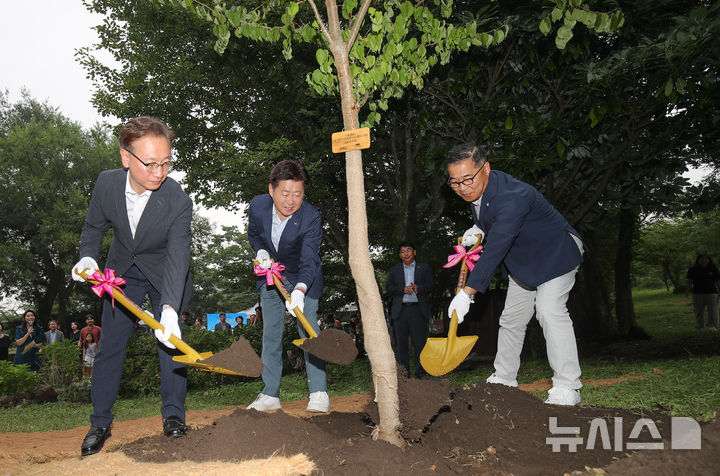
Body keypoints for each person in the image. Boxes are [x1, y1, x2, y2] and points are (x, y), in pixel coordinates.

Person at [71, 116, 193, 456]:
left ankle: (174, 417)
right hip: (121, 271)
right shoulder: (106, 184)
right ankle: (99, 422)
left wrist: (169, 309)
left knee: (171, 343)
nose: (159, 172)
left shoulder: (178, 200)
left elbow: (179, 255)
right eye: (150, 163)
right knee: (110, 346)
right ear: (126, 157)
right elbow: (93, 228)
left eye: (166, 163)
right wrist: (89, 258)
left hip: (164, 272)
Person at [445, 142, 585, 406]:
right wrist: (478, 228)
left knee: (549, 310)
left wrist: (468, 293)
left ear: (486, 168)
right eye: (455, 183)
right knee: (511, 319)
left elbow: (498, 246)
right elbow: (491, 218)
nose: (463, 188)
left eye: (467, 179)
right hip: (524, 262)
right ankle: (504, 378)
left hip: (555, 253)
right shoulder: (480, 189)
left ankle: (568, 386)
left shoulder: (514, 196)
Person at [247, 160, 328, 413]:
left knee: (308, 329)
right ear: (271, 190)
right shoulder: (258, 206)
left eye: (298, 194)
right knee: (271, 331)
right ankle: (270, 393)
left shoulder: (311, 217)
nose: (291, 200)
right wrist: (260, 251)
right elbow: (255, 234)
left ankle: (318, 391)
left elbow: (309, 258)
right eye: (284, 193)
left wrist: (300, 290)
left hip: (304, 274)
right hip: (271, 274)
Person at [386, 241, 434, 378]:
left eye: (408, 250)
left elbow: (430, 284)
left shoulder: (423, 268)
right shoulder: (395, 270)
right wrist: (402, 290)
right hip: (400, 312)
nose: (405, 253)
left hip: (418, 310)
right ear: (399, 255)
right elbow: (388, 287)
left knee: (420, 344)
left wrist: (420, 288)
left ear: (414, 252)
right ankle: (404, 375)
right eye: (402, 251)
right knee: (401, 345)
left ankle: (421, 374)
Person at [685, 254, 720, 331]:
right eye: (701, 259)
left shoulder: (713, 268)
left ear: (709, 260)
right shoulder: (693, 269)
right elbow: (690, 281)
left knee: (713, 310)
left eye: (706, 259)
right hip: (697, 293)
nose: (703, 260)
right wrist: (687, 291)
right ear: (698, 260)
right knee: (698, 310)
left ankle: (713, 326)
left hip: (712, 293)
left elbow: (717, 281)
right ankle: (700, 326)